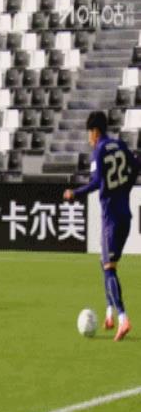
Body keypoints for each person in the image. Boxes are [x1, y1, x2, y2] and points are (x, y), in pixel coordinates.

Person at [64, 111, 138, 341]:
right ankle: (109, 313)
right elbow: (136, 166)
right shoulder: (120, 145)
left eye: (89, 132)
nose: (89, 138)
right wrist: (124, 189)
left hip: (111, 218)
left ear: (95, 131)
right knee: (105, 263)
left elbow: (96, 182)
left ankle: (123, 318)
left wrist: (75, 193)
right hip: (125, 214)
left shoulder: (99, 151)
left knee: (109, 268)